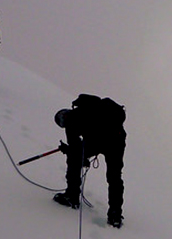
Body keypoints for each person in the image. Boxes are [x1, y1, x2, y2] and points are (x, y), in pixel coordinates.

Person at [52, 94, 126, 228]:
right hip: (116, 139)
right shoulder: (87, 108)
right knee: (114, 177)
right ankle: (115, 214)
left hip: (97, 141)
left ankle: (72, 196)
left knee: (74, 161)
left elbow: (75, 150)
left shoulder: (71, 123)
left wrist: (70, 151)